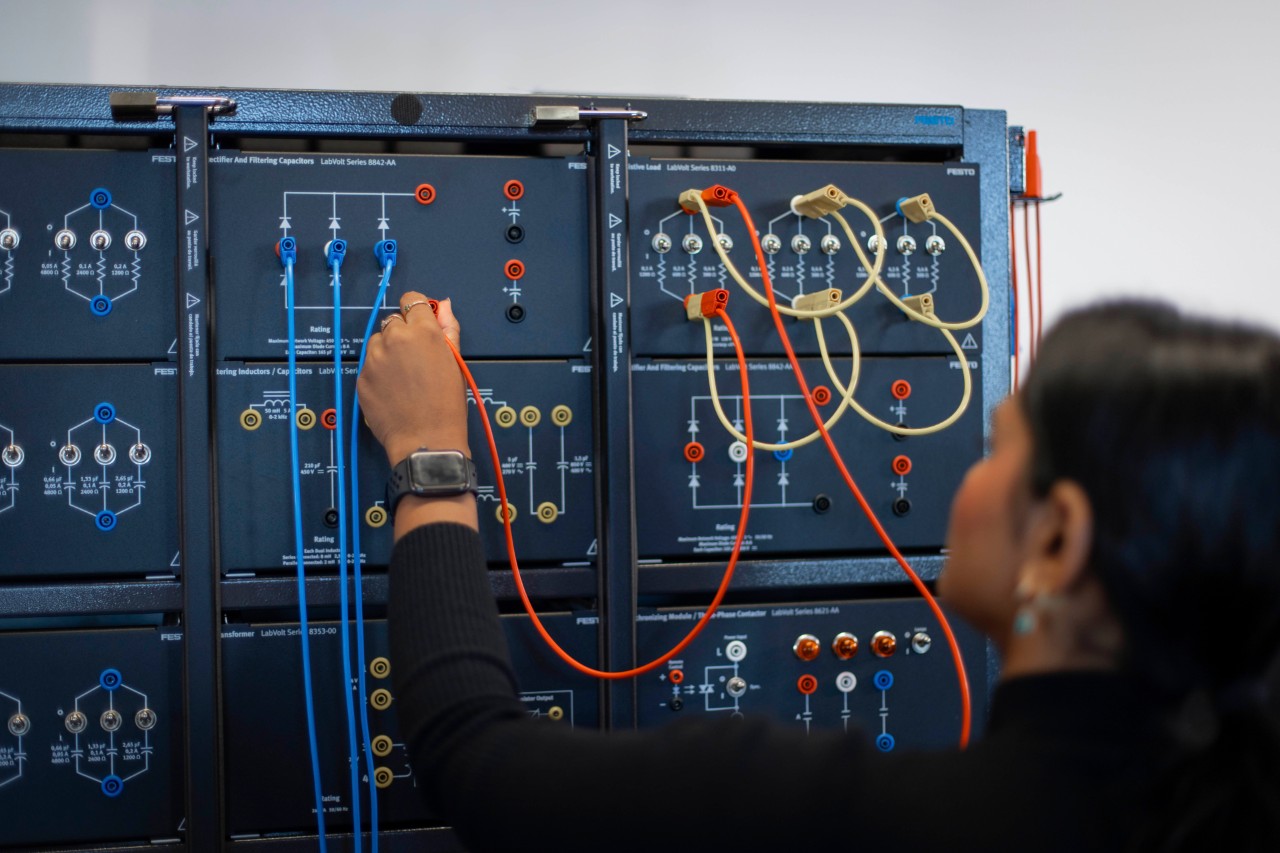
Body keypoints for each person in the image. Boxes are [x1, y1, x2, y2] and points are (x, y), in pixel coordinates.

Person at [356, 293, 1280, 852]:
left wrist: (430, 452)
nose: (970, 472)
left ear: (1056, 542)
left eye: (997, 447)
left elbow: (476, 761)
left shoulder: (836, 818)